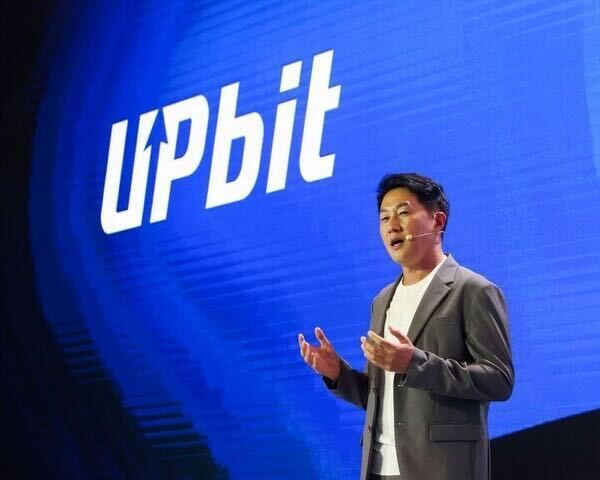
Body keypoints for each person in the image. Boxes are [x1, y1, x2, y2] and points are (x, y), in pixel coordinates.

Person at [298, 173, 514, 480]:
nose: (392, 226)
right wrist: (338, 374)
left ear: (437, 221)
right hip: (379, 468)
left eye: (403, 213)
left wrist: (415, 363)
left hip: (441, 469)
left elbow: (499, 380)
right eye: (384, 218)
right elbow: (381, 397)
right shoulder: (382, 301)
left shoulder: (474, 290)